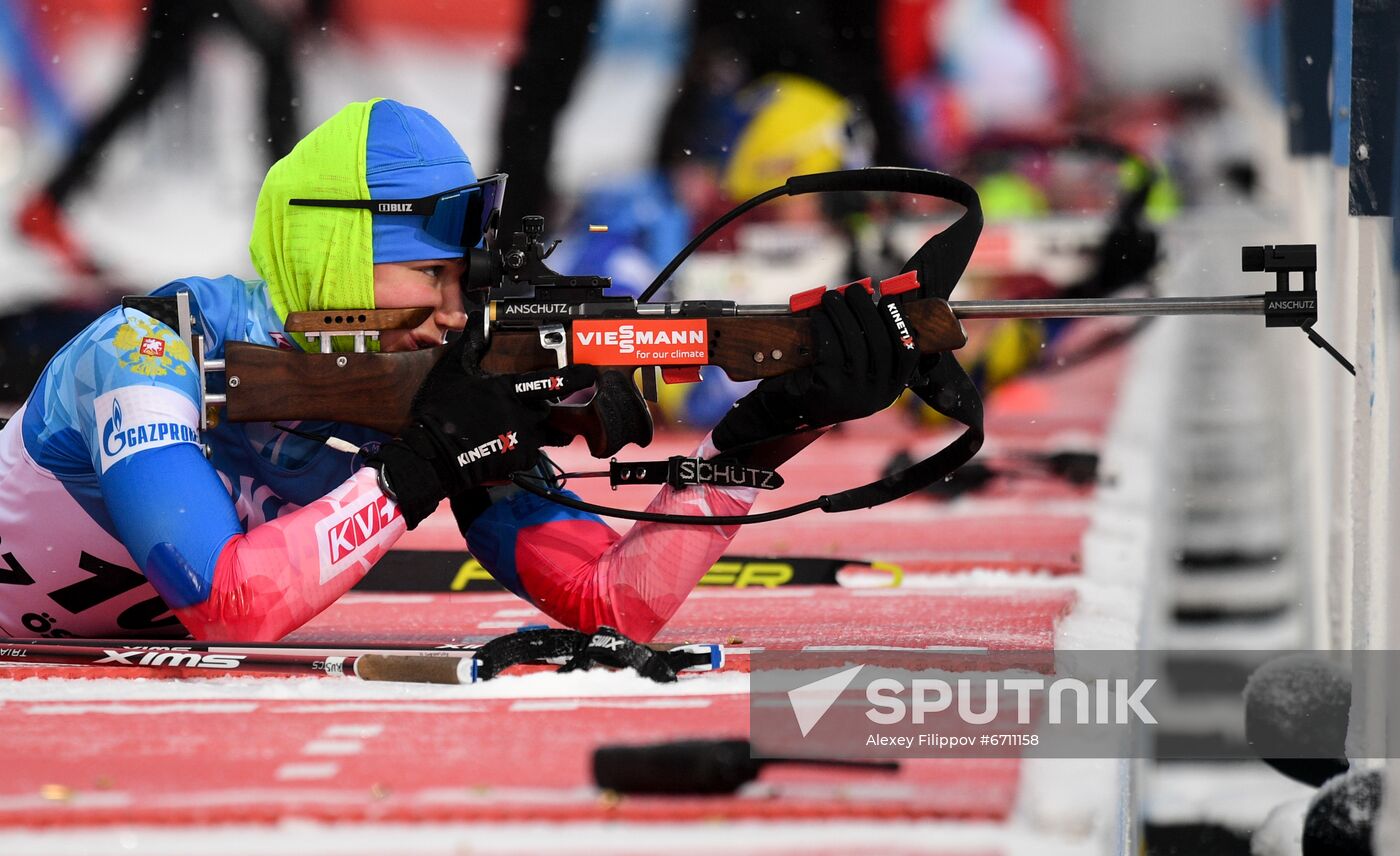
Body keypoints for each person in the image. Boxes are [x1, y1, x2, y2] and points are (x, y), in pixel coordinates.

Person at [0, 98, 918, 643]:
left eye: (462, 281)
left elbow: (617, 601)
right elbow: (225, 604)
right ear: (332, 253)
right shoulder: (148, 350)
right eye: (429, 275)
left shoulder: (427, 385)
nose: (451, 312)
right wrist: (418, 469)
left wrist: (764, 436)